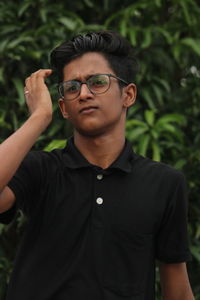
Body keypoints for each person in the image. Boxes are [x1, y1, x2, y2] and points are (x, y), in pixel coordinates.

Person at [0, 30, 194, 300]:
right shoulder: (41, 170)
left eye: (97, 82)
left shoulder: (164, 183)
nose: (84, 93)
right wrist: (40, 117)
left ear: (128, 95)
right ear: (64, 107)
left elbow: (178, 292)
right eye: (72, 87)